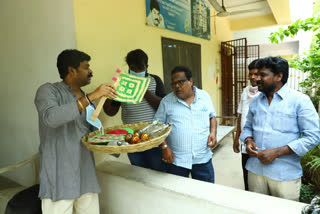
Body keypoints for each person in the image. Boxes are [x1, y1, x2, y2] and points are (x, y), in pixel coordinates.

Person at [34, 49, 117, 214]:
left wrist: (124, 141)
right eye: (86, 67)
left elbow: (95, 138)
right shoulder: (48, 91)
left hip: (86, 174)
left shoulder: (88, 101)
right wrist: (91, 97)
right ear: (72, 70)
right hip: (59, 176)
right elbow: (51, 118)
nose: (91, 71)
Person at [240, 56, 320, 201]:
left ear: (279, 76)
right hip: (255, 171)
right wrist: (248, 140)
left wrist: (277, 152)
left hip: (285, 175)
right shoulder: (256, 101)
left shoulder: (300, 101)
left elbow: (313, 136)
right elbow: (247, 127)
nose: (257, 79)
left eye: (263, 75)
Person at [103, 49, 166, 171]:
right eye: (133, 68)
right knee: (138, 170)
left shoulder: (155, 80)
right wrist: (109, 94)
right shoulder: (122, 84)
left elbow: (163, 107)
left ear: (146, 66)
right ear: (128, 67)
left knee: (157, 169)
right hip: (131, 138)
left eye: (140, 68)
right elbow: (111, 112)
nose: (136, 71)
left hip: (153, 136)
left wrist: (142, 90)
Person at [154, 66, 217, 183]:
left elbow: (212, 116)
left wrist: (213, 133)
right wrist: (164, 147)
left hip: (202, 158)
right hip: (176, 160)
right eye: (173, 84)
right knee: (176, 195)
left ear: (191, 81)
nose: (177, 86)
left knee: (206, 194)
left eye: (181, 82)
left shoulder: (205, 96)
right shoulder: (166, 102)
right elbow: (157, 125)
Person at [233, 59, 260, 191]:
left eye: (256, 74)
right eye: (250, 74)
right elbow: (240, 115)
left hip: (259, 144)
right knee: (246, 174)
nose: (252, 77)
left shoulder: (265, 93)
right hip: (245, 141)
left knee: (258, 178)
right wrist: (236, 138)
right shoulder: (245, 91)